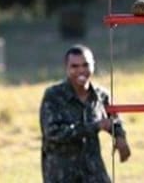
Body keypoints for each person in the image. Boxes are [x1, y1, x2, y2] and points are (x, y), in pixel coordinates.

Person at [40, 45, 130, 183]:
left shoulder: (101, 96)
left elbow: (114, 120)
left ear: (93, 65)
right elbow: (53, 133)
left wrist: (120, 137)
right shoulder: (54, 96)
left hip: (93, 172)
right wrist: (94, 126)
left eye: (85, 65)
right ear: (66, 68)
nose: (81, 70)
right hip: (62, 173)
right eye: (74, 66)